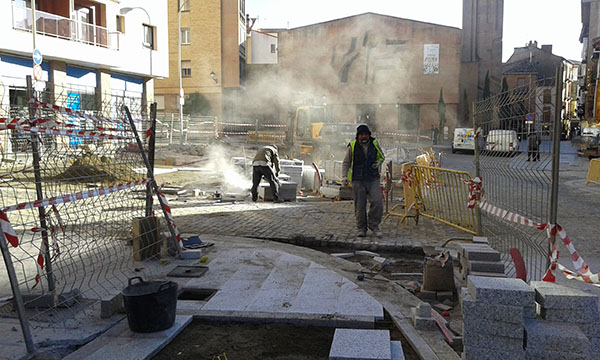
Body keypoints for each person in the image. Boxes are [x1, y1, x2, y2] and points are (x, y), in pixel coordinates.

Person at [342, 124, 385, 238]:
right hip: (358, 179)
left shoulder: (374, 144)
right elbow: (346, 162)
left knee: (377, 202)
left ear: (369, 135)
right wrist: (344, 177)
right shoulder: (352, 146)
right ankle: (361, 228)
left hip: (373, 178)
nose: (364, 136)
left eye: (365, 134)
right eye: (361, 135)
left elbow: (382, 156)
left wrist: (379, 163)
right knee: (360, 206)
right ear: (358, 136)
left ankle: (374, 225)